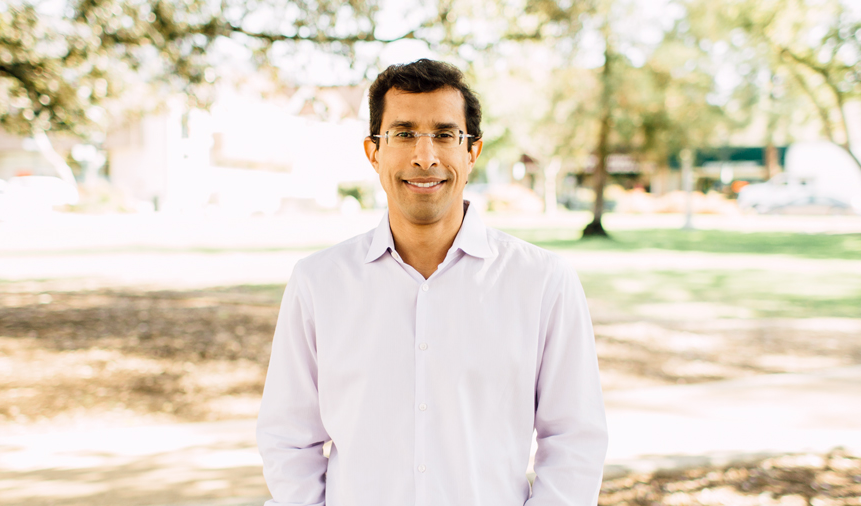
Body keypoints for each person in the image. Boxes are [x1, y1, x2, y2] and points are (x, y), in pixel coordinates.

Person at [256, 58, 607, 506]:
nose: (425, 156)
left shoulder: (543, 283)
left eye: (444, 134)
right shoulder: (318, 283)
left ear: (472, 151)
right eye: (403, 134)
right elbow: (288, 440)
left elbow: (575, 441)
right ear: (374, 151)